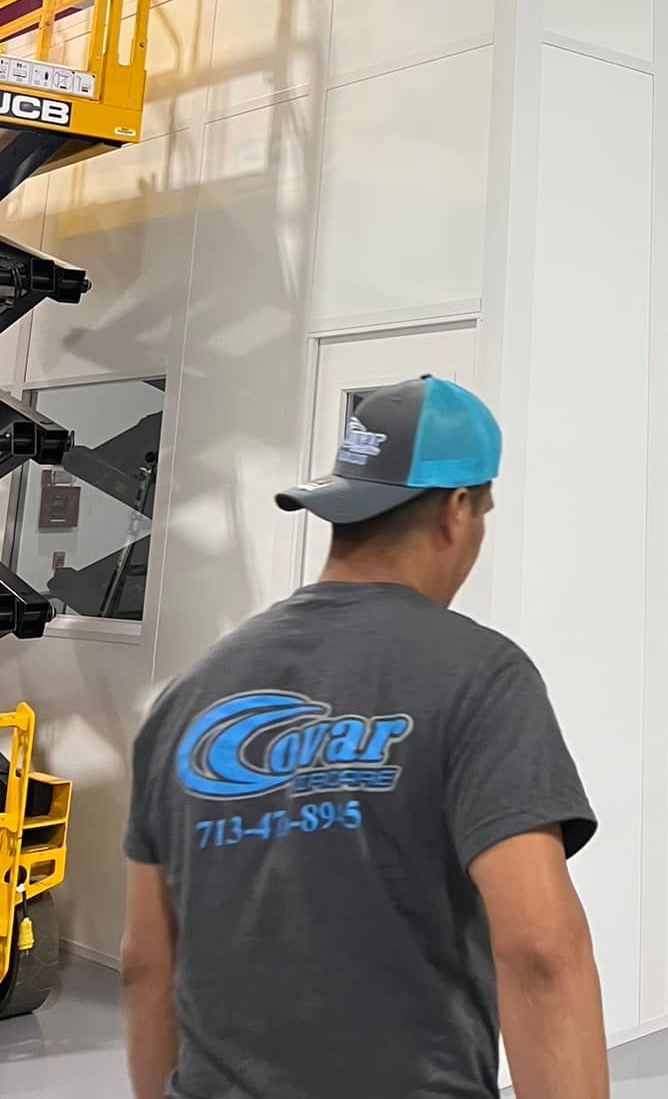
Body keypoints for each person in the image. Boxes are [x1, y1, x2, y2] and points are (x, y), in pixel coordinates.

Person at [120, 376, 607, 1099]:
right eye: (483, 513)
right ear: (457, 510)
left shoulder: (187, 698)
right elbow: (539, 952)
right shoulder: (482, 678)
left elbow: (144, 963)